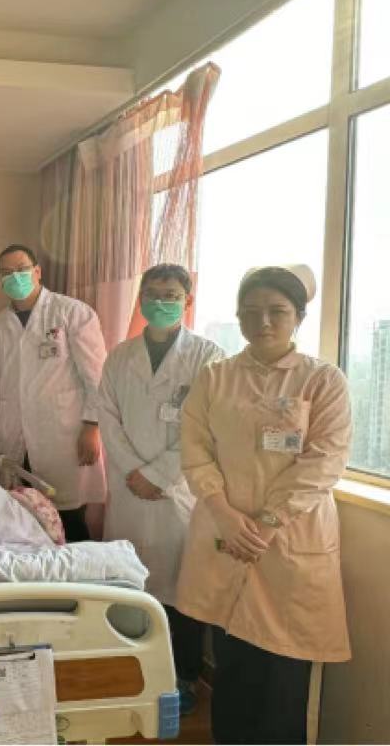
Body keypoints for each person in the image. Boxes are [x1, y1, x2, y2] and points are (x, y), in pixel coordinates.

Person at [176, 264, 352, 744]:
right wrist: (224, 514)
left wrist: (269, 523)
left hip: (291, 543)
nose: (264, 322)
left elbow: (324, 461)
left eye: (278, 311)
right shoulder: (215, 378)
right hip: (227, 536)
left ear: (299, 316)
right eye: (251, 312)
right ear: (238, 316)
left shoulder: (322, 380)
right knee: (234, 671)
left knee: (284, 681)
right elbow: (195, 451)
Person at [99, 263, 224, 716]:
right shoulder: (120, 357)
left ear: (187, 300)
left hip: (177, 493)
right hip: (129, 490)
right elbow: (107, 418)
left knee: (179, 591)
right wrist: (135, 471)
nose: (159, 302)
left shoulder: (208, 357)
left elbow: (207, 428)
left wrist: (160, 474)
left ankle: (183, 678)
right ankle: (128, 670)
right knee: (130, 585)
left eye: (170, 295)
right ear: (140, 299)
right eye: (151, 293)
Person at [0, 244, 107, 542]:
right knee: (24, 516)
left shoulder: (72, 313)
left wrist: (92, 426)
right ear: (0, 279)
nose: (15, 277)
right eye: (7, 272)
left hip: (63, 435)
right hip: (16, 435)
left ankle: (76, 571)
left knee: (69, 517)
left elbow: (97, 377)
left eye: (22, 269)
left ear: (37, 272)